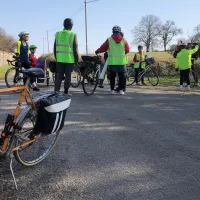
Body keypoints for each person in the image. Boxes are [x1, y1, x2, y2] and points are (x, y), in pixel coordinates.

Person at [95, 27, 130, 95]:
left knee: (112, 76)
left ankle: (112, 90)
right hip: (121, 62)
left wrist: (98, 51)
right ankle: (121, 90)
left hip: (112, 62)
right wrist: (122, 53)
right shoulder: (124, 40)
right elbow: (128, 50)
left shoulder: (109, 40)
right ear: (119, 32)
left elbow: (103, 47)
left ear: (113, 32)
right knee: (121, 77)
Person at [54, 18, 79, 95]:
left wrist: (57, 57)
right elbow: (75, 49)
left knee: (59, 75)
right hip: (69, 59)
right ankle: (65, 92)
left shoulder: (57, 34)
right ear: (71, 26)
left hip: (59, 59)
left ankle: (56, 91)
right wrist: (76, 60)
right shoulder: (73, 35)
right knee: (68, 76)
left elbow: (54, 48)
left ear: (64, 25)